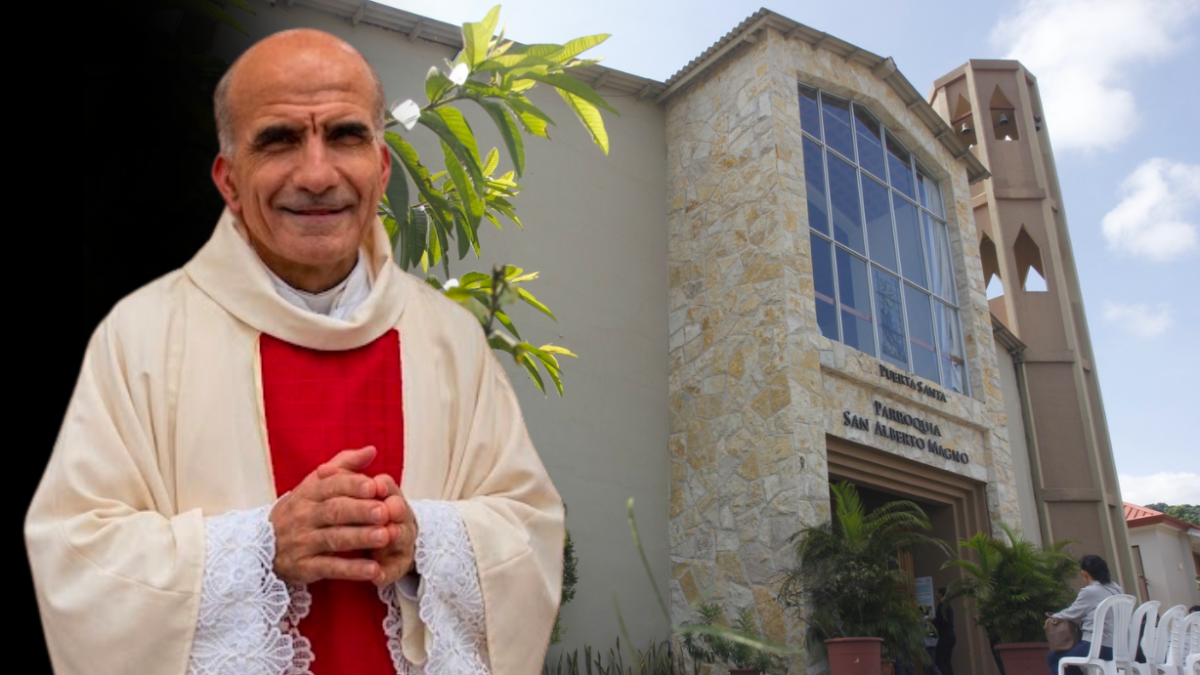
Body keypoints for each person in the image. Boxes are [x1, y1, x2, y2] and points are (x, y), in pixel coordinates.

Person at [24, 28, 563, 675]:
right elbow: (71, 556)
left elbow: (530, 532)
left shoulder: (449, 339)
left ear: (382, 166)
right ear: (228, 178)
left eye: (345, 136)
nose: (316, 174)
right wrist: (257, 547)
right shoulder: (142, 336)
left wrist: (425, 538)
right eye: (279, 139)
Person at [1045, 555, 1123, 675]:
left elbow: (1072, 612)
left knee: (1054, 658)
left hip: (1097, 647)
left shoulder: (1090, 591)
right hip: (1119, 648)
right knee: (1066, 658)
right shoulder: (1117, 589)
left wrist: (1053, 617)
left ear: (1085, 573)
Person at [931, 587, 956, 675]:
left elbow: (946, 622)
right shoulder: (947, 605)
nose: (936, 595)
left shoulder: (942, 606)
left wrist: (934, 620)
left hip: (945, 636)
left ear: (940, 594)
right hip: (950, 636)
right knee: (946, 661)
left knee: (939, 661)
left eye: (937, 593)